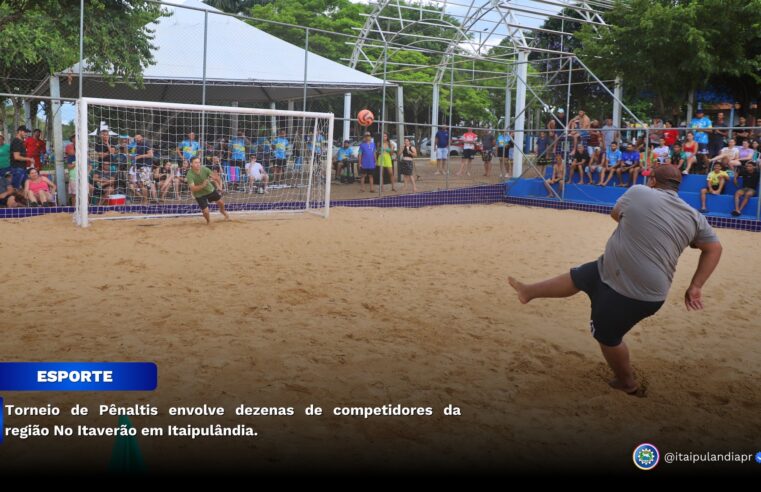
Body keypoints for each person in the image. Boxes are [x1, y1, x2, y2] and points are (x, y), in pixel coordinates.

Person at [508, 165, 722, 395]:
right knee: (581, 276)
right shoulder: (694, 216)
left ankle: (627, 383)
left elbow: (615, 214)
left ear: (652, 181)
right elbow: (714, 249)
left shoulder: (639, 191)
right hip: (618, 272)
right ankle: (528, 291)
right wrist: (696, 286)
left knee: (607, 336)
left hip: (635, 291)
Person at [185, 156, 229, 224]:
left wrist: (215, 178)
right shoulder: (189, 174)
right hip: (199, 194)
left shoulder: (205, 169)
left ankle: (222, 212)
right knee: (206, 212)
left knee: (221, 203)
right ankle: (208, 221)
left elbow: (216, 177)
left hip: (209, 190)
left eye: (199, 162)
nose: (198, 164)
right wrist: (203, 185)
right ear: (191, 164)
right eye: (196, 163)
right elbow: (193, 188)